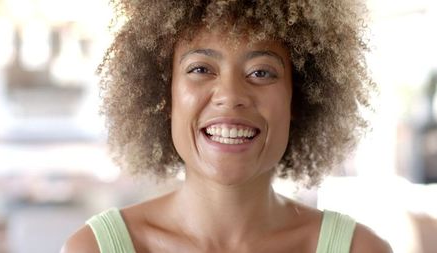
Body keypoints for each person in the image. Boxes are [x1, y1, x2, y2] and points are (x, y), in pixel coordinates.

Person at [62, 0, 392, 252]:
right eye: (201, 69)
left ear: (299, 97)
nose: (231, 96)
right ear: (164, 94)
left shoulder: (359, 250)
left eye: (261, 72)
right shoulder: (94, 249)